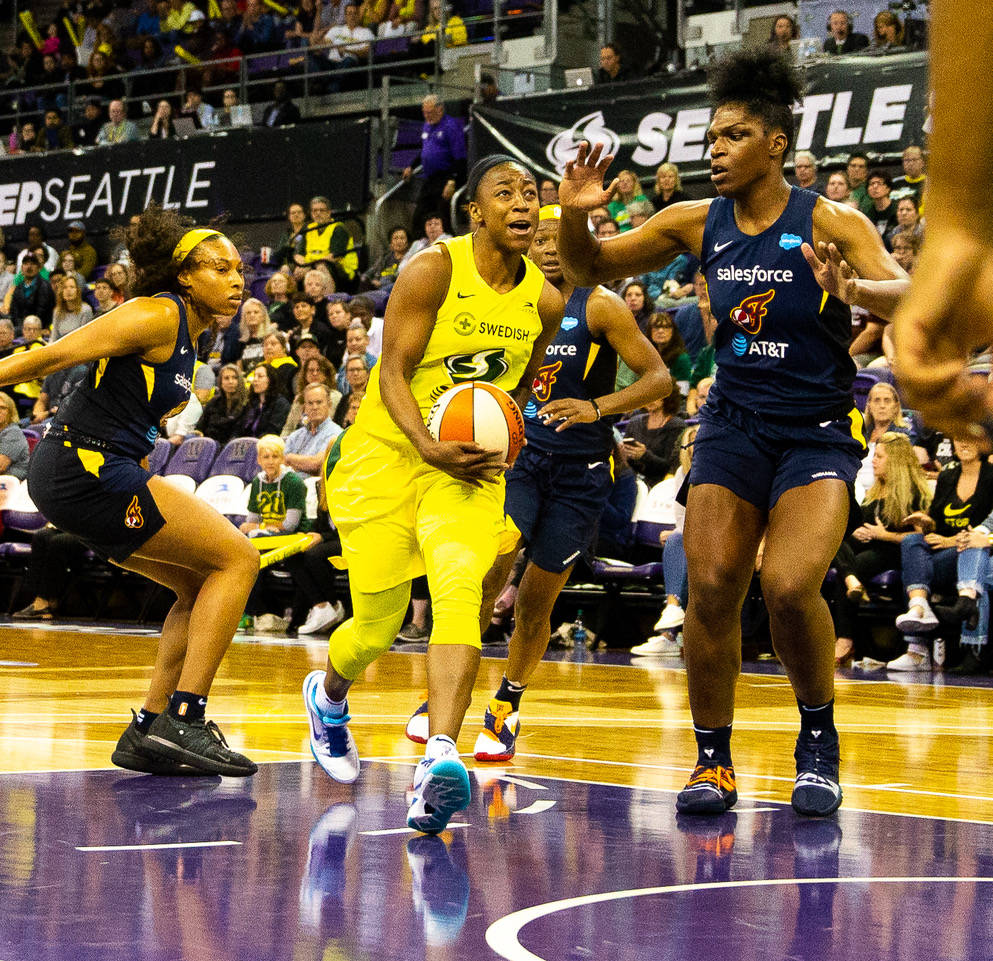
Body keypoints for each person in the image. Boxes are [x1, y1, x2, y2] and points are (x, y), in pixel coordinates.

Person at [556, 48, 909, 818]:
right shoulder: (692, 220)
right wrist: (575, 211)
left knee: (787, 586)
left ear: (775, 144)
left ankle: (816, 738)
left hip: (816, 430)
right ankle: (711, 760)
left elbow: (910, 293)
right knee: (711, 585)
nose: (713, 149)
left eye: (732, 136)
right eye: (710, 137)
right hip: (732, 425)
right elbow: (589, 266)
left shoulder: (829, 220)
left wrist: (858, 290)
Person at [303, 154, 563, 834]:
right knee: (376, 626)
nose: (521, 203)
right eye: (504, 192)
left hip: (468, 468)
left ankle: (437, 758)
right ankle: (328, 698)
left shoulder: (545, 298)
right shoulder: (433, 269)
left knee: (456, 585)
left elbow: (523, 381)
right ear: (474, 210)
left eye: (530, 193)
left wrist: (512, 430)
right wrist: (424, 442)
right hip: (388, 455)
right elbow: (391, 370)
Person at [0, 208, 259, 776]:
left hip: (97, 467)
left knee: (199, 586)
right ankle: (187, 718)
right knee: (239, 560)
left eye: (239, 269)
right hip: (79, 464)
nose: (236, 279)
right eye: (220, 268)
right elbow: (52, 356)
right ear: (184, 276)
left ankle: (149, 727)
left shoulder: (195, 334)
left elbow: (131, 413)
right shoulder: (155, 314)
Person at [404, 202, 668, 758]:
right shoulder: (516, 299)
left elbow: (659, 379)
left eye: (557, 238)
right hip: (520, 459)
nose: (547, 247)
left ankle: (506, 704)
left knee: (535, 604)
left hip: (584, 473)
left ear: (576, 243)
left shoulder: (601, 305)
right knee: (487, 570)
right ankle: (444, 696)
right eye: (540, 238)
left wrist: (596, 407)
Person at [890, 436, 993, 669]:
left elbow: (983, 532)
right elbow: (936, 525)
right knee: (912, 542)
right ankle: (919, 608)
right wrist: (925, 522)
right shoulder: (948, 475)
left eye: (971, 439)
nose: (964, 443)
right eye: (959, 438)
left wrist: (951, 541)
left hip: (975, 551)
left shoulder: (991, 475)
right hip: (949, 554)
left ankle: (921, 647)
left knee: (972, 549)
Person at [831, 432, 931, 667]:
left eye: (880, 457)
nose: (874, 461)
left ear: (895, 461)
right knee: (833, 540)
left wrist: (882, 534)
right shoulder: (874, 491)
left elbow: (919, 538)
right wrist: (858, 531)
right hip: (869, 544)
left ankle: (845, 639)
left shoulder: (913, 492)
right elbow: (860, 524)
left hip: (893, 551)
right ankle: (852, 581)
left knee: (856, 564)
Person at [402, 95, 467, 235]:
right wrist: (411, 166)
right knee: (419, 216)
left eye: (430, 112)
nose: (427, 116)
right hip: (430, 179)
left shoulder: (451, 126)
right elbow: (425, 151)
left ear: (440, 109)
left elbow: (460, 157)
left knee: (442, 216)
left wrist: (452, 180)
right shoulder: (427, 126)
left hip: (446, 177)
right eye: (424, 112)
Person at [297, 197, 359, 294]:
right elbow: (298, 254)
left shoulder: (338, 228)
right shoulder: (308, 228)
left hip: (342, 270)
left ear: (329, 212)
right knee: (287, 268)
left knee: (321, 266)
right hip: (313, 264)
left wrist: (308, 266)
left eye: (322, 210)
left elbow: (333, 257)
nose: (318, 213)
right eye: (315, 211)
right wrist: (300, 265)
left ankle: (327, 300)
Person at [284, 382, 341, 475]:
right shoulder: (296, 435)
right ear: (304, 407)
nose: (314, 407)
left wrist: (290, 458)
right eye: (310, 403)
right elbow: (281, 461)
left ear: (329, 405)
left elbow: (317, 464)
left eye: (319, 402)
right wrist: (304, 463)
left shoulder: (336, 434)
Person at [200, 362, 249, 445]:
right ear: (221, 382)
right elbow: (200, 426)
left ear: (240, 381)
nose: (231, 382)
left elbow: (239, 432)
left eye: (235, 378)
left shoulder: (247, 403)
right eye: (226, 378)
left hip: (231, 446)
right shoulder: (214, 401)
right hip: (208, 444)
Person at [238, 361, 291, 437]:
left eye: (260, 376)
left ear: (270, 380)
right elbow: (239, 427)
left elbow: (272, 432)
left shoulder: (281, 403)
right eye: (254, 376)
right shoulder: (252, 402)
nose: (255, 379)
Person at [50, 275, 93, 342]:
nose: (68, 290)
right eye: (65, 287)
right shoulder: (57, 311)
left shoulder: (86, 310)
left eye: (72, 287)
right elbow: (53, 338)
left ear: (77, 291)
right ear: (61, 292)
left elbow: (85, 338)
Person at [0, 391, 29, 479]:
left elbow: (1, 467)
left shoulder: (13, 432)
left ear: (10, 412)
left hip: (12, 483)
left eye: (2, 408)